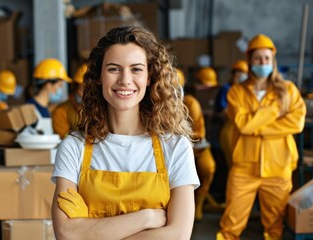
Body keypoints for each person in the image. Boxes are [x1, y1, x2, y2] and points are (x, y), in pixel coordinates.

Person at [52, 26, 200, 239]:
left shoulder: (175, 146)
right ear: (99, 76)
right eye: (113, 69)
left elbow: (178, 235)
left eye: (136, 69)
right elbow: (65, 233)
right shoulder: (74, 147)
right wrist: (147, 218)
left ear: (150, 77)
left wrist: (90, 232)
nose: (125, 79)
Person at [216, 34, 306, 240]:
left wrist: (257, 125)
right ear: (250, 61)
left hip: (278, 167)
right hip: (243, 168)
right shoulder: (236, 92)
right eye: (257, 58)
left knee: (275, 226)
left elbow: (297, 123)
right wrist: (275, 110)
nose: (262, 63)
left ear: (272, 61)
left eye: (266, 58)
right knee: (230, 224)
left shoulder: (288, 90)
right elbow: (243, 125)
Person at [177, 68, 218, 221]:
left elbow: (199, 133)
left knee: (208, 168)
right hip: (168, 151)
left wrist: (179, 137)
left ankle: (199, 203)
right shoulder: (154, 103)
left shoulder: (190, 103)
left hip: (196, 149)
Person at [214, 60, 248, 168]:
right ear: (234, 74)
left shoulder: (244, 90)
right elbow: (224, 110)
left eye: (244, 73)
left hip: (243, 129)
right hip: (230, 128)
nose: (241, 76)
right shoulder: (226, 89)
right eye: (239, 72)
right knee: (234, 165)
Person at [25, 58, 71, 134]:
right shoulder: (29, 109)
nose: (60, 90)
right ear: (49, 85)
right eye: (59, 86)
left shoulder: (45, 109)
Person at [52, 64, 86, 139]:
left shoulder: (106, 111)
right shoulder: (61, 111)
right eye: (82, 88)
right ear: (75, 88)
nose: (87, 94)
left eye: (91, 89)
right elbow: (64, 139)